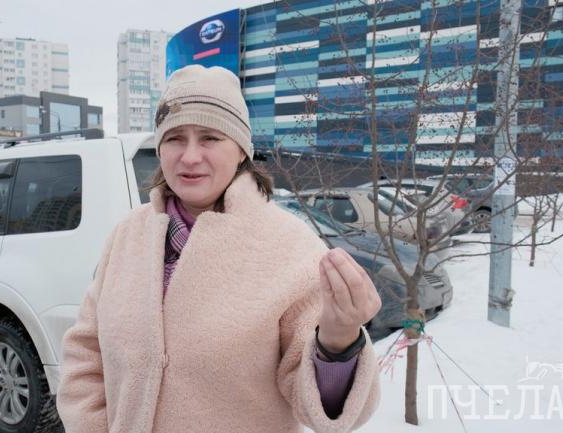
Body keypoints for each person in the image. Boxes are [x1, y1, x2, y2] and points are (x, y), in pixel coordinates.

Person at [57, 65, 381, 433]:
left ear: (242, 150)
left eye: (210, 137)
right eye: (175, 138)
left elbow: (323, 409)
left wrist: (338, 341)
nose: (190, 156)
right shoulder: (128, 236)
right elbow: (86, 352)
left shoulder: (290, 247)